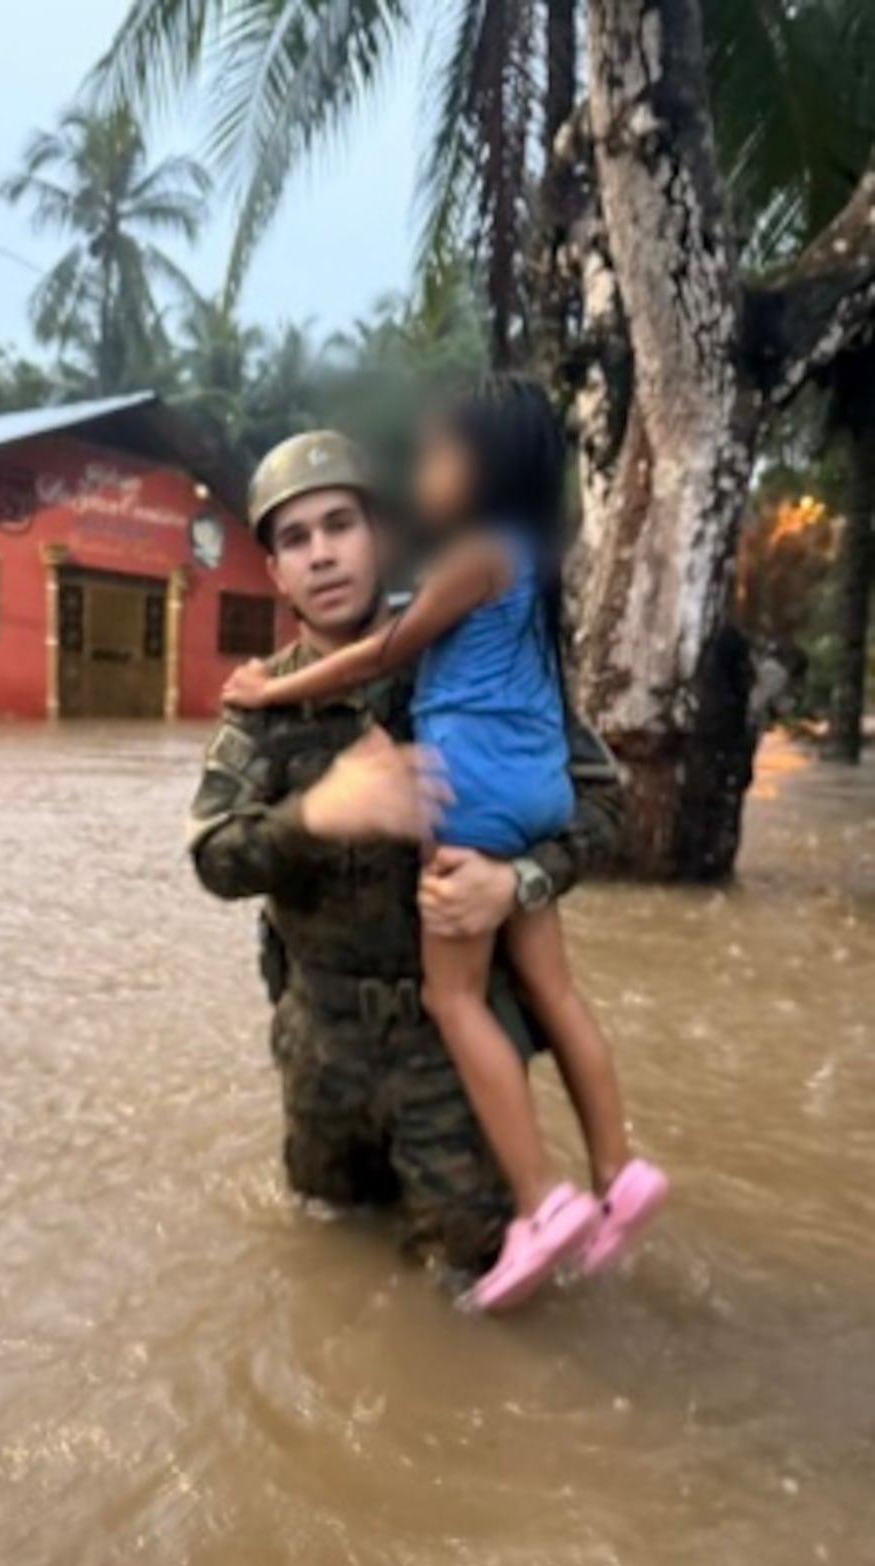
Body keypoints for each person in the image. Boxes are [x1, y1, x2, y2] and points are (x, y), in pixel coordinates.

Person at [224, 379, 668, 1311]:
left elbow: (599, 811)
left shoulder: (461, 641)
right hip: (322, 1052)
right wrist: (315, 815)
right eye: (293, 539)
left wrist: (520, 885)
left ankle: (557, 1199)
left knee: (474, 1298)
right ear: (272, 570)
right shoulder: (254, 707)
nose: (321, 554)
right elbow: (213, 859)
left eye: (339, 524)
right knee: (320, 1261)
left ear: (378, 533)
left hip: (448, 1074)